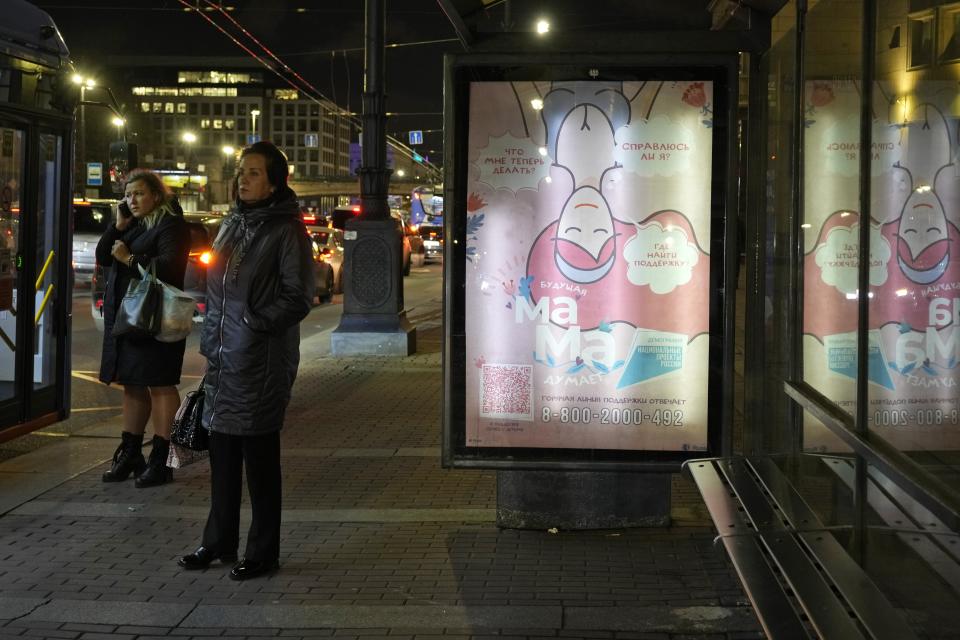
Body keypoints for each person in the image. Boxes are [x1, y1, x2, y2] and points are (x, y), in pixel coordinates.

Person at [178, 141, 314, 581]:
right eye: (241, 172)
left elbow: (298, 297)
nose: (243, 179)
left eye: (254, 173)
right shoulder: (231, 225)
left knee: (259, 463)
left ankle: (262, 551)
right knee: (222, 458)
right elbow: (210, 280)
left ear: (274, 181)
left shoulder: (287, 231)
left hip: (260, 361)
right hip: (220, 358)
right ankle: (217, 542)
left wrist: (255, 322)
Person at [97, 169, 191, 487]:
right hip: (129, 320)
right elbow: (103, 256)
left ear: (156, 195)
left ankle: (162, 461)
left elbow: (168, 267)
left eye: (138, 193)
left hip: (156, 320)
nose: (132, 200)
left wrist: (129, 258)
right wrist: (117, 227)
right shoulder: (134, 225)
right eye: (128, 194)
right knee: (133, 384)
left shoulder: (171, 225)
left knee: (161, 385)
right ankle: (131, 452)